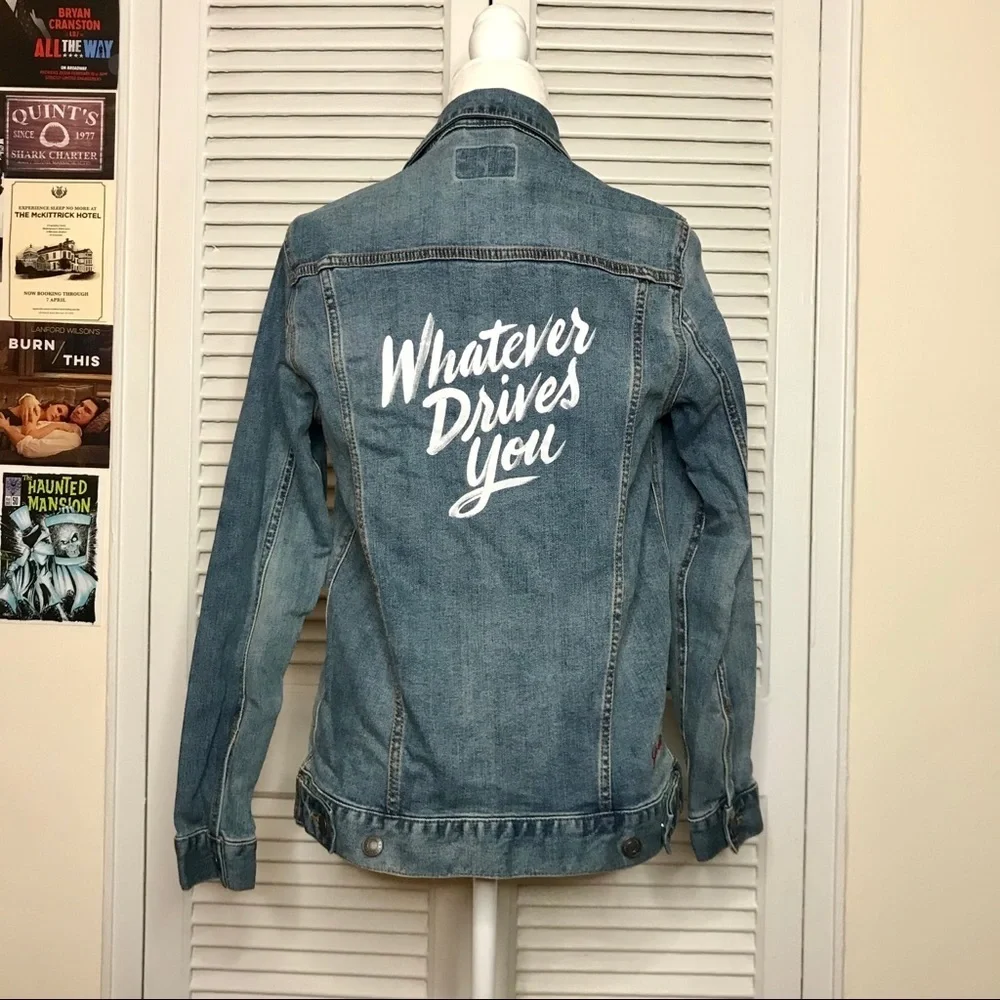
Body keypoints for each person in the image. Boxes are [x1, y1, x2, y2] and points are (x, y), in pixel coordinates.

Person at [0, 392, 82, 460]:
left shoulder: (41, 421)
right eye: (58, 410)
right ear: (51, 405)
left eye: (61, 418)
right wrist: (56, 425)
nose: (57, 415)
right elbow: (29, 434)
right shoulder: (35, 409)